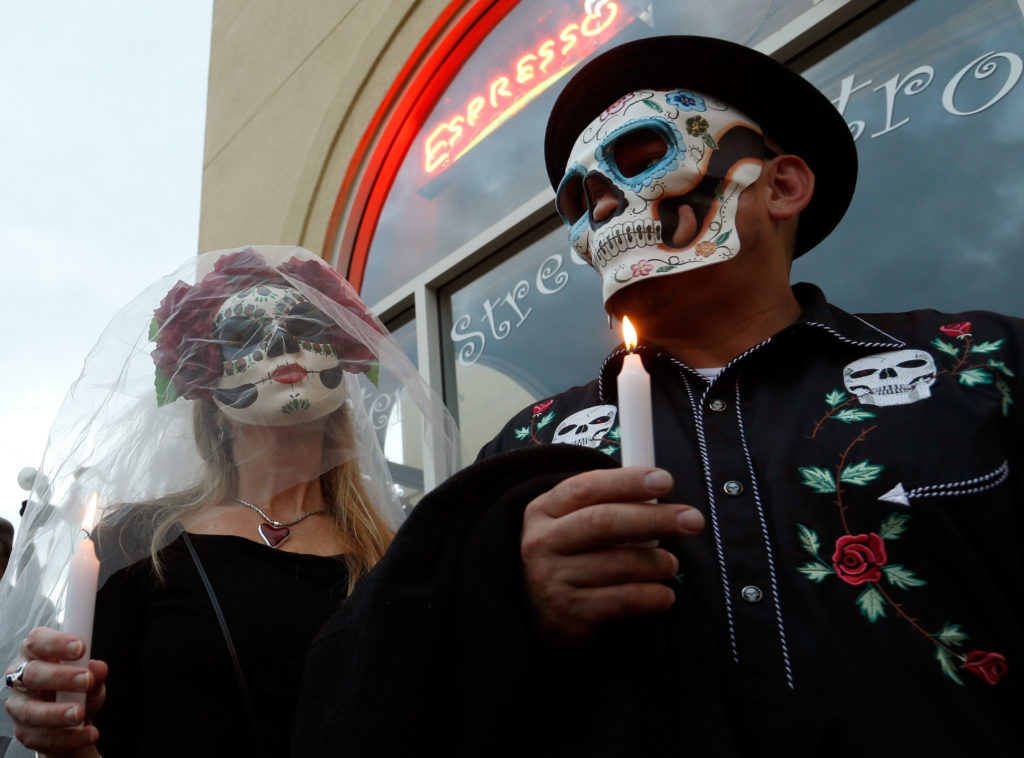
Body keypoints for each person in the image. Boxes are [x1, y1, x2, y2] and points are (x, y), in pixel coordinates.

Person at [291, 36, 1022, 756]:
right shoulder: (532, 447)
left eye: (642, 158)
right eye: (581, 199)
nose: (606, 203)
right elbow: (396, 691)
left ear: (781, 187)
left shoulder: (982, 364)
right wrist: (511, 598)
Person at [0, 246, 460, 757]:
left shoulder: (392, 560)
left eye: (305, 327)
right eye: (244, 336)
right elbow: (94, 737)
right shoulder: (138, 544)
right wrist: (57, 727)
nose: (281, 344)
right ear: (209, 398)